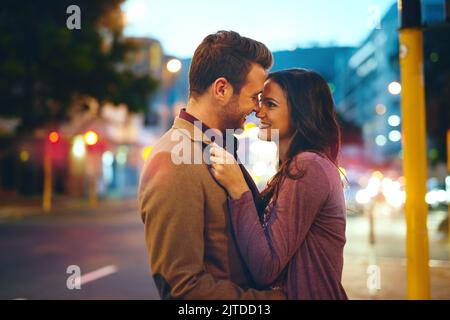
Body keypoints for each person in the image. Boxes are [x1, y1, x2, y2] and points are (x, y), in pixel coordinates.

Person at [138, 30, 285, 299]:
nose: (257, 109)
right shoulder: (175, 160)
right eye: (254, 97)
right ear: (221, 89)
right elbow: (184, 289)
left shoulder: (213, 148)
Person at [210, 68, 348, 300]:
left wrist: (238, 189)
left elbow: (267, 266)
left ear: (301, 112)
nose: (259, 112)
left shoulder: (307, 167)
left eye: (271, 104)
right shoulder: (296, 166)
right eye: (261, 102)